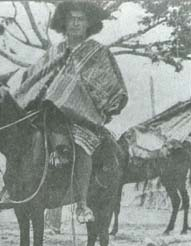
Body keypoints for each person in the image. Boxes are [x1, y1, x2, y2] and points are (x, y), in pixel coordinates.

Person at [12, 1, 128, 223]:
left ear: (88, 24)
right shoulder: (54, 52)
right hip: (46, 112)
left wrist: (70, 91)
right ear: (63, 23)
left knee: (82, 145)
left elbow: (110, 86)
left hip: (81, 116)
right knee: (19, 139)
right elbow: (34, 77)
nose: (75, 23)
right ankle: (11, 190)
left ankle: (82, 204)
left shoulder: (97, 51)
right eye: (71, 19)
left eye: (81, 19)